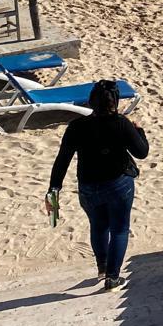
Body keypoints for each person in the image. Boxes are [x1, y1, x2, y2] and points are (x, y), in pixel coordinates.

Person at [46, 80, 148, 291]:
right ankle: (113, 277)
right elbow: (141, 152)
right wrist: (140, 131)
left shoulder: (76, 126)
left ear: (91, 101)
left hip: (88, 186)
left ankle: (102, 267)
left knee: (98, 226)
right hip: (118, 184)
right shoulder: (122, 123)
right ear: (115, 101)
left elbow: (62, 160)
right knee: (119, 229)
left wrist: (54, 188)